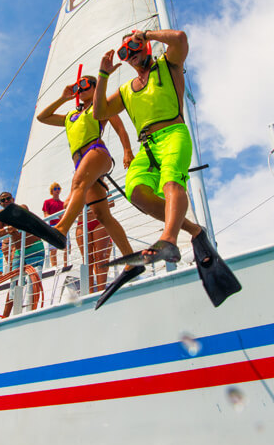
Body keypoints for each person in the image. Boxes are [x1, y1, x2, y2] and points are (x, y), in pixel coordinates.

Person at [91, 28, 241, 308]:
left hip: (173, 132)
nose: (131, 54)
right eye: (125, 52)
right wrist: (103, 74)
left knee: (172, 183)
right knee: (136, 193)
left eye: (134, 47)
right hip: (147, 146)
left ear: (145, 47)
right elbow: (100, 113)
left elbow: (181, 39)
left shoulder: (168, 66)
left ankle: (168, 239)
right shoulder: (126, 90)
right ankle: (194, 230)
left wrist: (147, 34)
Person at [34, 73, 138, 272]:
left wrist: (127, 151)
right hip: (82, 163)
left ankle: (61, 229)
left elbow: (120, 128)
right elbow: (42, 117)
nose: (80, 89)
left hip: (97, 152)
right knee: (102, 215)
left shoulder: (100, 107)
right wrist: (63, 98)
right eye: (77, 87)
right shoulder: (70, 117)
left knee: (77, 183)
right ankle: (130, 259)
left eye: (85, 85)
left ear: (95, 87)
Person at [0, 191, 45, 316]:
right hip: (18, 251)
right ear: (0, 204)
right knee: (14, 286)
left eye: (8, 198)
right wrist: (7, 229)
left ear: (13, 199)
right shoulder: (1, 216)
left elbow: (23, 217)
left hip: (34, 249)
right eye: (3, 200)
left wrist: (11, 226)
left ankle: (32, 313)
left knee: (33, 283)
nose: (6, 201)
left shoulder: (21, 207)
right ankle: (5, 317)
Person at [74, 200, 113, 293]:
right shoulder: (77, 187)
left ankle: (101, 292)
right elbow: (66, 205)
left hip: (99, 221)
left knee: (101, 258)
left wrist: (90, 207)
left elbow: (111, 202)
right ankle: (89, 293)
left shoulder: (101, 185)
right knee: (87, 260)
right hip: (82, 223)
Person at [42, 182, 68, 267]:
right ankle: (54, 267)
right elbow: (46, 215)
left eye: (58, 188)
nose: (57, 190)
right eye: (55, 189)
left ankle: (66, 265)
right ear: (52, 191)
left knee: (67, 247)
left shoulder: (63, 203)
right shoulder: (47, 202)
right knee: (53, 249)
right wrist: (57, 217)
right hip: (53, 226)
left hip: (63, 226)